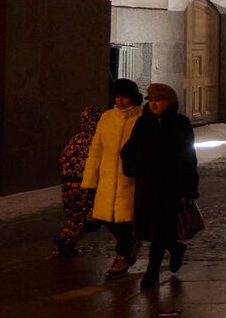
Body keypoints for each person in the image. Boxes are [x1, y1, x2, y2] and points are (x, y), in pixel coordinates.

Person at [121, 83, 198, 289]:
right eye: (151, 101)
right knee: (150, 229)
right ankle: (175, 248)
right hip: (147, 184)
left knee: (159, 229)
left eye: (158, 100)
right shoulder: (143, 123)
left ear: (169, 102)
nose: (154, 104)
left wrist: (188, 187)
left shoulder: (180, 123)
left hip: (170, 185)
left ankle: (152, 272)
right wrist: (132, 167)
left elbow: (188, 156)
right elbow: (129, 149)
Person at [82, 78, 144, 279]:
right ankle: (130, 244)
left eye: (124, 97)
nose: (120, 101)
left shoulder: (142, 117)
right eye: (117, 96)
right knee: (103, 216)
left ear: (132, 97)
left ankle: (122, 256)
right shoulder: (107, 118)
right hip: (107, 178)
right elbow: (96, 149)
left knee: (124, 219)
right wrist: (90, 179)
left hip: (130, 179)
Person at [54, 106, 102, 257]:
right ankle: (65, 242)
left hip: (67, 184)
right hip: (83, 185)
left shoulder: (74, 139)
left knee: (72, 216)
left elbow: (62, 159)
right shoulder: (95, 140)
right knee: (84, 219)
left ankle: (63, 241)